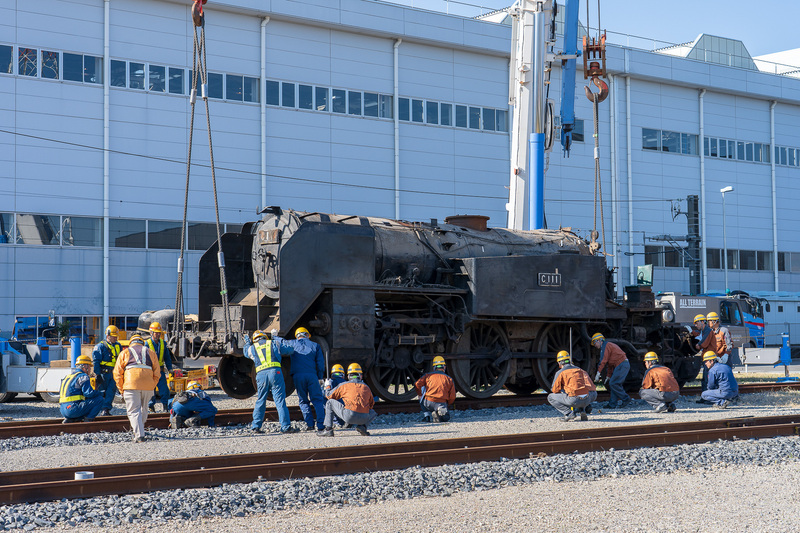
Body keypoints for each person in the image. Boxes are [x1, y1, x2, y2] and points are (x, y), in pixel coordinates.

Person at [245, 329, 298, 434]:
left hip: (261, 375)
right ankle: (285, 427)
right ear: (265, 337)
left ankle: (255, 427)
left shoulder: (252, 348)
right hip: (275, 373)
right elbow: (290, 350)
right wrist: (276, 338)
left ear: (254, 340)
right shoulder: (274, 343)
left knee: (261, 400)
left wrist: (247, 342)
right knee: (280, 401)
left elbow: (245, 352)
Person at [113, 333, 160, 442]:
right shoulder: (151, 352)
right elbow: (157, 373)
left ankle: (139, 435)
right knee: (144, 409)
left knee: (134, 411)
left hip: (131, 384)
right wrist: (152, 385)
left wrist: (121, 389)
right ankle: (140, 430)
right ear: (142, 343)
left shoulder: (125, 352)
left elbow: (117, 373)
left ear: (131, 343)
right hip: (148, 385)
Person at [284, 327, 326, 431]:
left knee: (303, 401)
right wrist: (320, 377)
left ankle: (310, 425)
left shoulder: (292, 343)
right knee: (317, 400)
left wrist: (274, 336)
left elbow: (281, 342)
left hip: (298, 376)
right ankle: (321, 426)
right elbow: (320, 364)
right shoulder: (315, 345)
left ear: (297, 336)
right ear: (307, 335)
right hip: (312, 376)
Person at [318, 363, 377, 437]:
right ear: (361, 376)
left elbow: (328, 395)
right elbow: (371, 404)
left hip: (349, 417)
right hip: (364, 418)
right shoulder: (366, 387)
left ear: (348, 376)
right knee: (373, 412)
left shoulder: (344, 385)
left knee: (330, 402)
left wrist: (327, 386)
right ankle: (363, 427)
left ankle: (328, 430)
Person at [547, 350, 597, 422]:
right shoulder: (580, 370)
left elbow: (554, 390)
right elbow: (592, 387)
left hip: (574, 400)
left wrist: (563, 390)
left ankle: (569, 413)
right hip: (587, 399)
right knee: (591, 393)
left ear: (559, 363)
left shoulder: (560, 372)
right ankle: (582, 409)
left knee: (550, 397)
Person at [59, 355, 104, 423]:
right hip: (73, 409)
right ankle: (88, 419)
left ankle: (72, 419)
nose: (90, 369)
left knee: (83, 402)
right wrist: (101, 393)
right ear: (85, 366)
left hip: (63, 410)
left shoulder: (68, 376)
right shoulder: (83, 376)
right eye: (89, 366)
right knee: (99, 399)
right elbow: (88, 394)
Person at [591, 333, 631, 408]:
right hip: (621, 365)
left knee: (613, 383)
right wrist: (608, 376)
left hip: (622, 364)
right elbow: (610, 364)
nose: (595, 345)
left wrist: (598, 373)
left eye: (594, 342)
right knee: (614, 384)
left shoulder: (605, 346)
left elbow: (603, 361)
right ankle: (612, 404)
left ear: (599, 340)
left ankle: (626, 399)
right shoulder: (608, 346)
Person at [414, 356, 456, 423]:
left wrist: (420, 394)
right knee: (446, 418)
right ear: (444, 367)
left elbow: (417, 384)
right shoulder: (449, 379)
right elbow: (452, 397)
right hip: (441, 404)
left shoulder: (427, 376)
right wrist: (447, 403)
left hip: (428, 403)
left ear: (434, 367)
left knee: (422, 390)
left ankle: (427, 416)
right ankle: (439, 413)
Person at [92, 325, 122, 416]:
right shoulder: (100, 346)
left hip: (114, 374)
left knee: (111, 392)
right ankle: (99, 409)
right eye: (114, 336)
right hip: (103, 374)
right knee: (101, 392)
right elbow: (96, 362)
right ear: (108, 336)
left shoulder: (118, 346)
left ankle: (106, 409)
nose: (115, 338)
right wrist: (97, 374)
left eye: (116, 336)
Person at [146, 322, 174, 413]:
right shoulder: (147, 344)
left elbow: (167, 357)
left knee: (164, 390)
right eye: (156, 333)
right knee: (151, 389)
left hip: (160, 371)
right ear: (151, 333)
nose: (158, 335)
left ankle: (165, 406)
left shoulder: (163, 343)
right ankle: (151, 406)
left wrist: (170, 368)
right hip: (150, 371)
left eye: (159, 333)